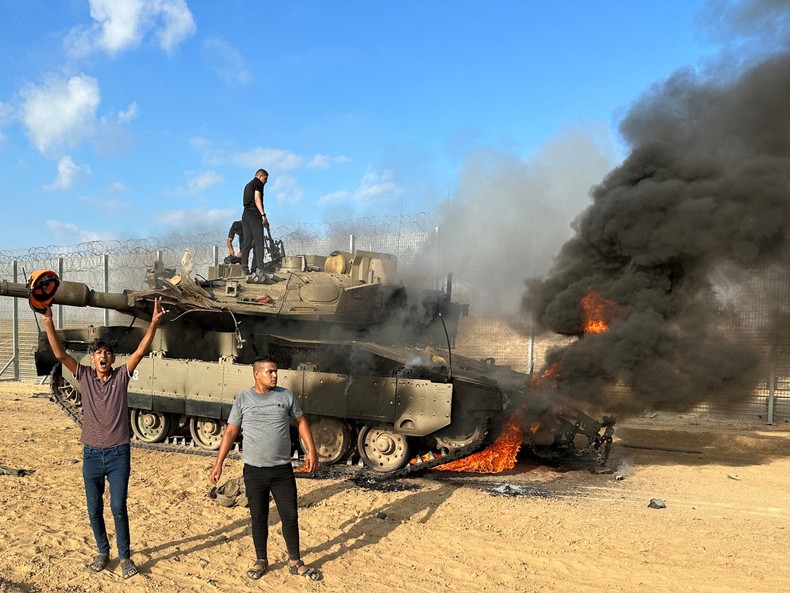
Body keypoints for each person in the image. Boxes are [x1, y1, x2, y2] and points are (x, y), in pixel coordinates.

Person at [41, 297, 166, 579]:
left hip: (119, 453)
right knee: (94, 507)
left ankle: (125, 557)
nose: (103, 356)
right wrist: (48, 321)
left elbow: (141, 350)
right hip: (92, 454)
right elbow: (60, 355)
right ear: (93, 358)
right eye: (98, 353)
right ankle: (102, 550)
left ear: (112, 359)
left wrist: (155, 322)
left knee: (118, 506)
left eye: (107, 353)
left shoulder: (122, 376)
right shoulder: (83, 375)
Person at [209, 356, 323, 581]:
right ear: (257, 374)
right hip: (254, 470)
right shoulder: (243, 399)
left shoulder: (285, 395)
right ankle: (261, 560)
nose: (274, 375)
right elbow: (231, 431)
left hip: (282, 470)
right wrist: (218, 463)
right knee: (259, 517)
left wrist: (311, 450)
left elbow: (301, 421)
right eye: (270, 372)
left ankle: (294, 561)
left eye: (275, 371)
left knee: (290, 516)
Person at [239, 169, 269, 277]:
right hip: (254, 214)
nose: (266, 181)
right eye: (265, 178)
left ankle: (244, 269)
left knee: (246, 242)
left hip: (245, 215)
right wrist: (263, 215)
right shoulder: (258, 183)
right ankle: (260, 268)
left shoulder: (247, 185)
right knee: (259, 242)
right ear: (260, 176)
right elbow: (257, 199)